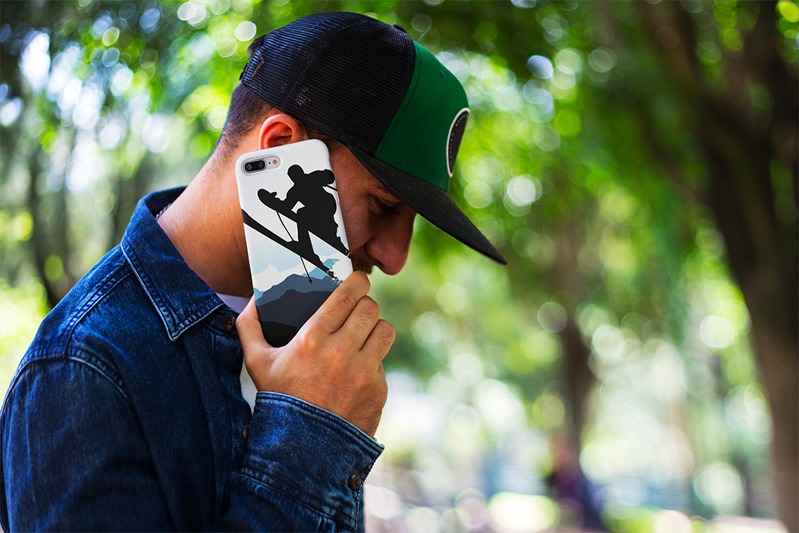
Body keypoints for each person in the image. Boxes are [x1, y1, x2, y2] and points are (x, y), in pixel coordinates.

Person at [0, 12, 506, 531]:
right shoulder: (82, 368)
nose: (395, 258)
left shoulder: (305, 333)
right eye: (382, 205)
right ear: (281, 147)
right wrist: (309, 432)